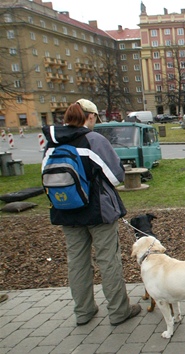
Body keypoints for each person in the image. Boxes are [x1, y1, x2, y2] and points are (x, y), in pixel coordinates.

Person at [42, 99, 141, 326]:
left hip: (65, 210)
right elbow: (116, 176)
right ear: (90, 117)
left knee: (76, 261)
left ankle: (84, 312)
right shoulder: (93, 140)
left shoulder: (51, 143)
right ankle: (118, 311)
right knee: (108, 261)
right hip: (98, 211)